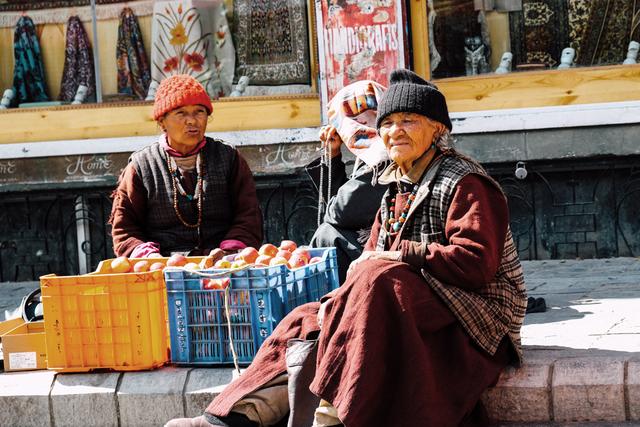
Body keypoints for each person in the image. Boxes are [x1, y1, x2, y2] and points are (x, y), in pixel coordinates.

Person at [165, 69, 527, 427]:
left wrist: (401, 256)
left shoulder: (467, 182)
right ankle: (235, 418)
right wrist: (336, 307)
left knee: (376, 279)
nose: (394, 131)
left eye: (409, 121)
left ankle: (333, 419)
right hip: (415, 302)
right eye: (387, 123)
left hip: (479, 316)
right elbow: (367, 262)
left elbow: (476, 265)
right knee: (307, 319)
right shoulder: (395, 185)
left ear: (438, 129)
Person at [109, 74, 262, 258]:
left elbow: (248, 215)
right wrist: (150, 258)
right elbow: (125, 229)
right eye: (181, 113)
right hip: (164, 268)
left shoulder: (228, 158)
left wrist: (230, 252)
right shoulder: (142, 167)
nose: (192, 120)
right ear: (162, 121)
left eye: (199, 111)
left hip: (224, 264)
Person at [307, 80, 389, 283]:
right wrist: (333, 156)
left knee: (327, 235)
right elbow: (342, 206)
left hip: (386, 250)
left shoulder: (384, 155)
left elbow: (338, 213)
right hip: (379, 242)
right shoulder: (372, 152)